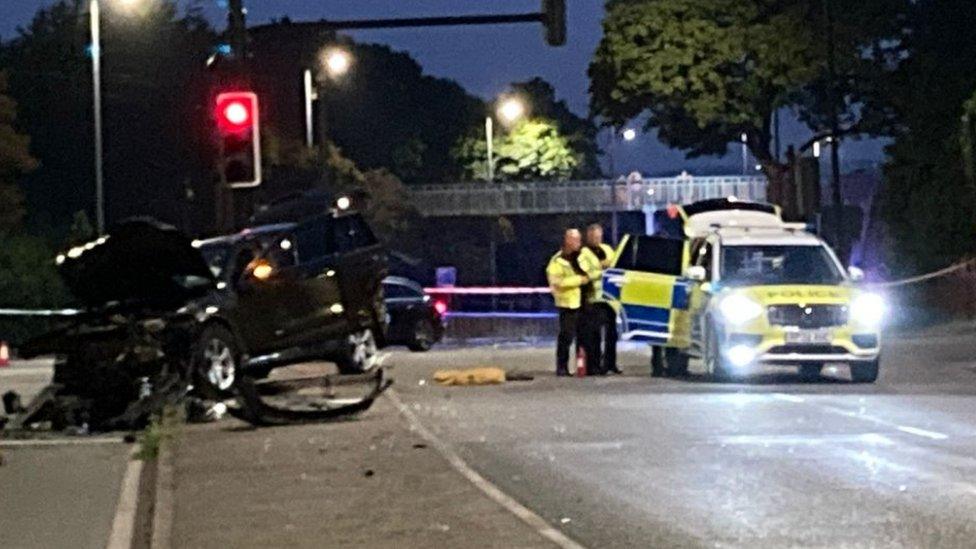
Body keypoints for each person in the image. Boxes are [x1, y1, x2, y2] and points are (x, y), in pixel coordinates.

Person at [546, 229, 595, 376]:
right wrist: (579, 280)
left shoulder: (582, 257)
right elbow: (556, 282)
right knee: (566, 336)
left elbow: (591, 272)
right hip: (568, 304)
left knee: (585, 336)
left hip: (584, 302)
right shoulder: (557, 260)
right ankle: (562, 367)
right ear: (567, 241)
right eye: (576, 240)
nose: (579, 243)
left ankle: (584, 367)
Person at [580, 223, 621, 374]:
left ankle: (610, 363)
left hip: (610, 298)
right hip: (594, 298)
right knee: (594, 335)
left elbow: (616, 264)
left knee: (612, 333)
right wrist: (602, 268)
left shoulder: (608, 249)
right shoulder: (583, 253)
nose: (596, 239)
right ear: (588, 236)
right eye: (593, 236)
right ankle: (595, 365)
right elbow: (586, 273)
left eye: (599, 236)